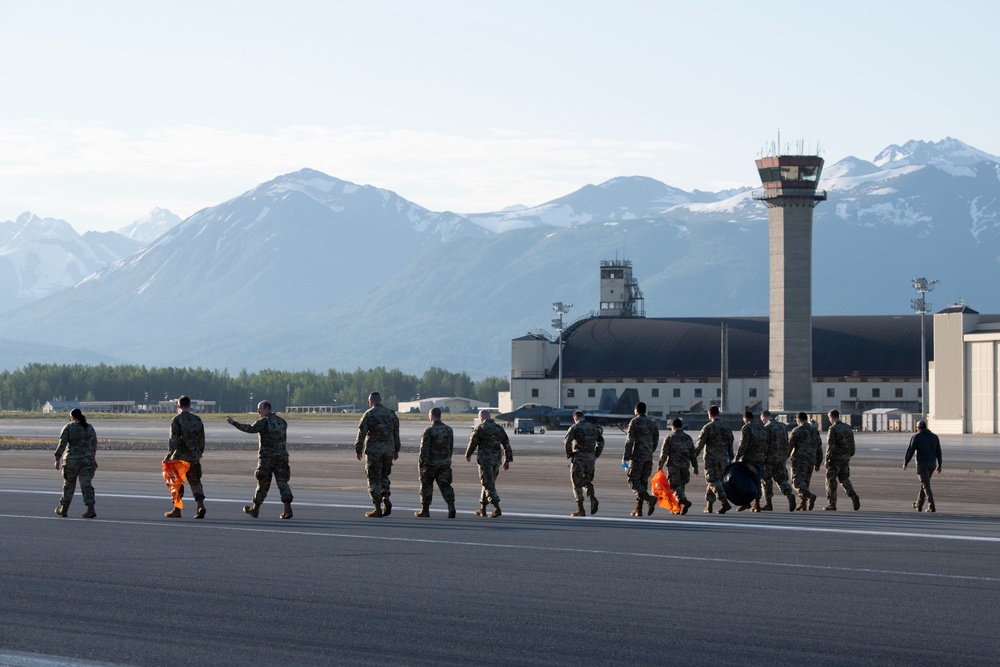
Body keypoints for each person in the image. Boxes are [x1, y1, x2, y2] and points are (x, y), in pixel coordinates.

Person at [227, 401, 294, 519]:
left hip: (267, 458)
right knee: (282, 482)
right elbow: (284, 439)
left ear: (267, 408)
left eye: (260, 409)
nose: (258, 411)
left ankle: (255, 509)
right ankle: (287, 509)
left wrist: (234, 423)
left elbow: (250, 429)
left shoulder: (263, 421)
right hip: (281, 456)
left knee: (263, 482)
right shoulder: (282, 422)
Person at [355, 392, 401, 518]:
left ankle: (377, 508)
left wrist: (358, 449)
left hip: (374, 451)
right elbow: (396, 433)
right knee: (384, 476)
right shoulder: (391, 413)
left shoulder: (369, 414)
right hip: (388, 450)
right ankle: (386, 496)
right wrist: (396, 449)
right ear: (380, 400)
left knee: (374, 478)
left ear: (370, 401)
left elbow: (361, 434)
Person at [163, 395, 207, 519]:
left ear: (178, 406)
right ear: (189, 405)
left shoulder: (176, 420)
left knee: (177, 483)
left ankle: (177, 509)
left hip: (180, 458)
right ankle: (200, 505)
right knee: (195, 482)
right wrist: (198, 453)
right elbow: (201, 440)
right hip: (193, 457)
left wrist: (169, 455)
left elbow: (174, 440)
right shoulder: (197, 420)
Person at [465, 409, 513, 517]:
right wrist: (507, 460)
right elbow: (506, 445)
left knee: (488, 484)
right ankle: (482, 508)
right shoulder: (499, 428)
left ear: (481, 417)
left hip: (485, 461)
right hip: (496, 461)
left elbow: (473, 443)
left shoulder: (480, 428)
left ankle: (497, 508)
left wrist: (468, 454)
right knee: (488, 483)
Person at [53, 408, 98, 519]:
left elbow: (62, 444)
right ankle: (90, 508)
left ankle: (64, 509)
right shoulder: (89, 428)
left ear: (72, 417)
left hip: (72, 460)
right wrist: (91, 456)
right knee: (86, 484)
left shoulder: (69, 427)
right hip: (87, 460)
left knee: (69, 485)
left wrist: (57, 458)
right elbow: (94, 444)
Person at [415, 407, 456, 518]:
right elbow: (450, 447)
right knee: (445, 485)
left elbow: (424, 449)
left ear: (431, 416)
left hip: (430, 463)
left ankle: (425, 509)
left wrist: (421, 465)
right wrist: (447, 459)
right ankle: (451, 506)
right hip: (444, 463)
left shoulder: (429, 430)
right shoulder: (449, 430)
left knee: (426, 485)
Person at [693, 404, 734, 514]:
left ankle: (724, 502)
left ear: (710, 414)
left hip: (711, 459)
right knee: (716, 481)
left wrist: (692, 457)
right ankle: (709, 505)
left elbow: (699, 444)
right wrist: (732, 457)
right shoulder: (726, 427)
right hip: (723, 459)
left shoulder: (708, 427)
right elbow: (730, 444)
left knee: (712, 481)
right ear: (718, 414)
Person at [563, 410, 605, 516]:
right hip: (591, 459)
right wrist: (596, 454)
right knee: (587, 481)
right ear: (584, 417)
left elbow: (567, 442)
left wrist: (570, 454)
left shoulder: (575, 428)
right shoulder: (593, 428)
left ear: (575, 418)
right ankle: (592, 498)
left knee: (577, 483)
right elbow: (601, 441)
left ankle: (580, 509)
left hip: (579, 459)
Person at [622, 401, 658, 517]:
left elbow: (630, 441)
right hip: (648, 456)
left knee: (632, 480)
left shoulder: (635, 422)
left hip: (637, 456)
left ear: (636, 411)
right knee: (643, 481)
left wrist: (625, 458)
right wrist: (650, 451)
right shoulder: (652, 423)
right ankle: (639, 508)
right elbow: (656, 440)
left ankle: (649, 499)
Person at [657, 418, 699, 514]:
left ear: (673, 426)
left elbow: (664, 453)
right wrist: (695, 467)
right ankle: (677, 507)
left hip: (674, 466)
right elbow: (693, 454)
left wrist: (660, 466)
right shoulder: (688, 438)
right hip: (685, 465)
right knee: (681, 485)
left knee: (674, 486)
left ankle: (684, 501)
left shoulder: (670, 437)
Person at [760, 410, 796, 512]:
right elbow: (787, 441)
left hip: (769, 459)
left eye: (762, 419)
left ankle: (768, 503)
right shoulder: (783, 426)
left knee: (766, 480)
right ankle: (789, 493)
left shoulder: (767, 427)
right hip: (781, 458)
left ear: (764, 417)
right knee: (781, 479)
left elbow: (765, 444)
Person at [825, 409, 860, 511]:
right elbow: (852, 443)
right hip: (845, 457)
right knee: (844, 478)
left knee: (831, 481)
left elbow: (830, 445)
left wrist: (827, 459)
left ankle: (832, 503)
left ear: (831, 417)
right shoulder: (847, 428)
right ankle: (852, 494)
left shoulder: (833, 429)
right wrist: (850, 454)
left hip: (834, 459)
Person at [904, 420, 942, 512]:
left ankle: (931, 505)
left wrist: (906, 462)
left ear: (918, 428)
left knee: (925, 485)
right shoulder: (934, 437)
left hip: (922, 464)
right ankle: (918, 504)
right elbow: (939, 452)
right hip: (932, 464)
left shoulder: (916, 436)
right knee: (924, 484)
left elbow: (911, 450)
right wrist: (940, 464)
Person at [787, 412, 823, 510]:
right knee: (805, 482)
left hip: (799, 460)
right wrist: (818, 463)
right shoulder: (814, 431)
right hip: (811, 460)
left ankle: (810, 496)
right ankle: (803, 503)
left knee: (796, 482)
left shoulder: (797, 430)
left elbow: (789, 446)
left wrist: (783, 459)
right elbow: (819, 448)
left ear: (798, 420)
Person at [735, 410, 768, 511]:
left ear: (745, 418)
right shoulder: (762, 427)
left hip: (749, 459)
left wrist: (736, 458)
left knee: (746, 481)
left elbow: (743, 445)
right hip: (760, 458)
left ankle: (746, 502)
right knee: (757, 480)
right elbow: (766, 442)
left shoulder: (746, 427)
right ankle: (756, 504)